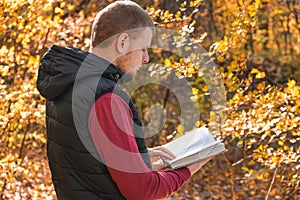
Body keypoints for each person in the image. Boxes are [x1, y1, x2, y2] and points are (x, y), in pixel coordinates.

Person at [37, 1, 210, 199]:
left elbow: (85, 160)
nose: (146, 58)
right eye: (143, 48)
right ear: (123, 42)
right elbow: (142, 191)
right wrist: (189, 167)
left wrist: (138, 155)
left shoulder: (68, 83)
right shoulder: (106, 98)